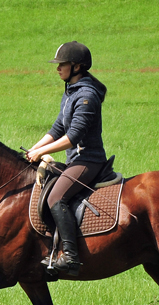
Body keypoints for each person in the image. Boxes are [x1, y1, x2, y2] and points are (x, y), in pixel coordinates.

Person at [27, 41, 108, 277]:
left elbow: (72, 137)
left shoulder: (87, 96)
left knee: (55, 197)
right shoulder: (71, 91)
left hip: (88, 162)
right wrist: (34, 149)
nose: (57, 68)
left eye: (62, 64)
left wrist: (42, 153)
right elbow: (58, 128)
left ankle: (70, 257)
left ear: (77, 66)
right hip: (76, 161)